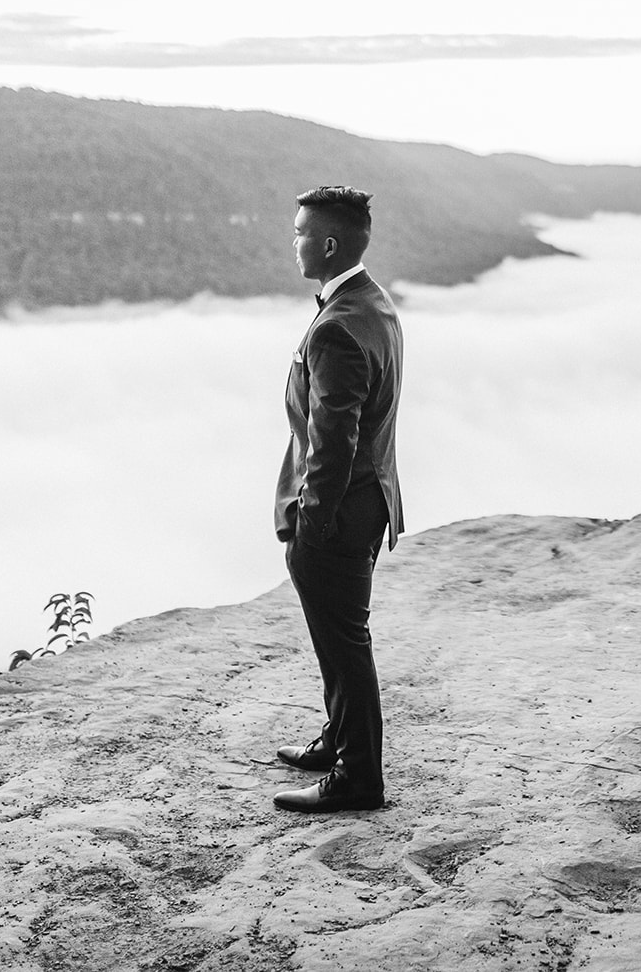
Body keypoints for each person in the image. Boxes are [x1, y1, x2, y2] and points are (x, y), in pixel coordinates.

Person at [272, 185, 404, 814]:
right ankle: (338, 741)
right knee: (339, 639)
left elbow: (334, 441)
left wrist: (310, 521)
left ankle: (357, 779)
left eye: (299, 232)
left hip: (339, 513)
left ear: (327, 243)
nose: (292, 241)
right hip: (371, 502)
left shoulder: (339, 329)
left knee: (345, 645)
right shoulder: (373, 304)